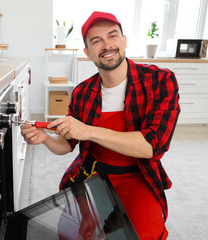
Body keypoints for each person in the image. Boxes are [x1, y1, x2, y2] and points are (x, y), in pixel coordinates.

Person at [21, 11, 180, 240]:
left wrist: (87, 130)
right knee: (71, 234)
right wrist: (45, 137)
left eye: (112, 36)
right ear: (88, 53)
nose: (107, 45)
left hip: (138, 175)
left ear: (124, 41)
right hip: (93, 174)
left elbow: (151, 146)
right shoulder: (82, 92)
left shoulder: (160, 81)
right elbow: (68, 144)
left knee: (142, 234)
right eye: (96, 41)